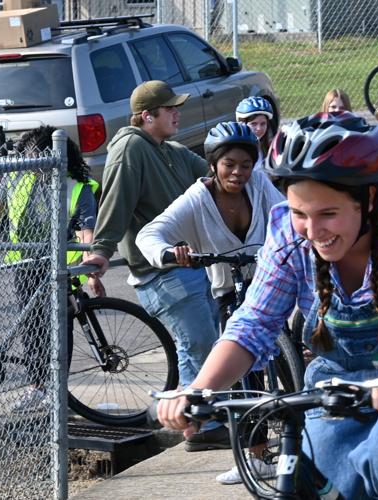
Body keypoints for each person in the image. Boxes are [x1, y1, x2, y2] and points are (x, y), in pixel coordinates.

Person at [157, 112, 378, 499]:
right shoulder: (288, 231)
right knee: (323, 478)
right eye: (301, 213)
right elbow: (253, 322)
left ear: (369, 198)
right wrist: (199, 390)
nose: (312, 230)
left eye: (328, 214)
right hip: (340, 381)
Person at [81, 80, 227, 451]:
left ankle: (201, 418)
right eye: (170, 109)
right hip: (162, 274)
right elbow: (116, 200)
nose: (178, 113)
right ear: (147, 116)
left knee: (204, 343)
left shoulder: (171, 150)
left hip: (192, 269)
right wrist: (100, 251)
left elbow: (218, 177)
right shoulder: (131, 149)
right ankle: (200, 426)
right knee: (199, 344)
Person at [136, 121, 285, 483]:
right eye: (229, 164)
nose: (238, 173)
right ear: (213, 163)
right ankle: (257, 456)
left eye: (246, 165)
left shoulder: (261, 185)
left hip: (270, 283)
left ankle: (304, 439)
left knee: (291, 358)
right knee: (241, 377)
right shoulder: (196, 198)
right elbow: (148, 235)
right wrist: (171, 253)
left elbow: (288, 216)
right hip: (226, 291)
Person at [0, 126, 101, 411]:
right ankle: (37, 386)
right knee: (32, 329)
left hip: (60, 268)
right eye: (32, 159)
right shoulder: (19, 176)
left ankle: (57, 390)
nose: (36, 168)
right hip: (26, 263)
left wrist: (91, 269)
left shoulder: (76, 187)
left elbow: (86, 233)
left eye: (40, 159)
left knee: (60, 328)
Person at [235, 96, 275, 170]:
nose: (259, 128)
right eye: (253, 124)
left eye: (263, 124)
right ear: (242, 124)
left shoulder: (269, 147)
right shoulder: (235, 151)